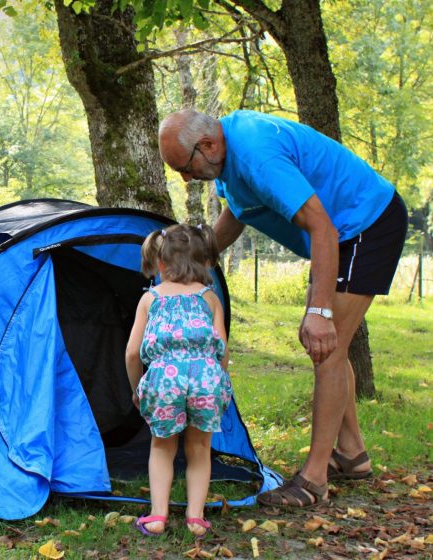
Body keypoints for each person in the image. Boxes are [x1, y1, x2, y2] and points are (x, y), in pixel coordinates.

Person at [157, 109, 409, 508]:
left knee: (326, 346)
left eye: (185, 168)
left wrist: (319, 312)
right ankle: (352, 454)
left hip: (364, 226)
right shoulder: (227, 155)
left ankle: (313, 481)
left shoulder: (258, 156)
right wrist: (189, 268)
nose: (186, 178)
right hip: (339, 234)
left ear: (208, 145)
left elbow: (322, 227)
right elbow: (236, 215)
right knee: (331, 347)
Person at [126, 224, 232, 538]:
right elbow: (221, 351)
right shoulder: (209, 298)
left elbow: (133, 353)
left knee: (161, 447)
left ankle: (158, 516)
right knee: (199, 447)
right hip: (205, 379)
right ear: (204, 263)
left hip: (163, 381)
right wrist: (219, 383)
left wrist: (137, 389)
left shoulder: (150, 299)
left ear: (160, 263)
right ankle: (195, 518)